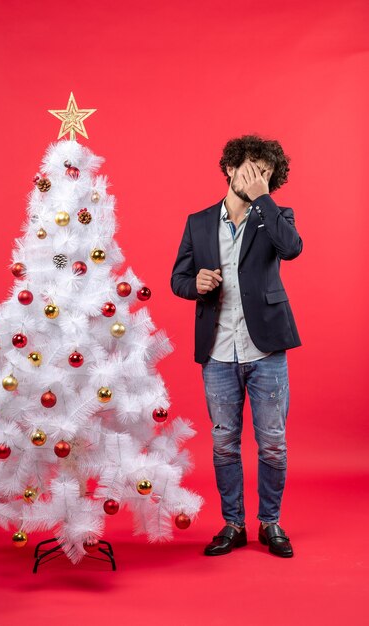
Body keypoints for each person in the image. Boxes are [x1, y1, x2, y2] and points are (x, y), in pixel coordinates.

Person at [170, 134, 302, 558]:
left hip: (266, 349)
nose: (256, 176)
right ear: (229, 168)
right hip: (218, 351)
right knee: (224, 442)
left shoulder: (277, 216)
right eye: (249, 168)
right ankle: (233, 524)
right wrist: (196, 285)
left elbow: (292, 249)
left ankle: (270, 523)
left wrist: (263, 197)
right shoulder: (198, 221)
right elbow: (178, 278)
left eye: (265, 172)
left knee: (273, 442)